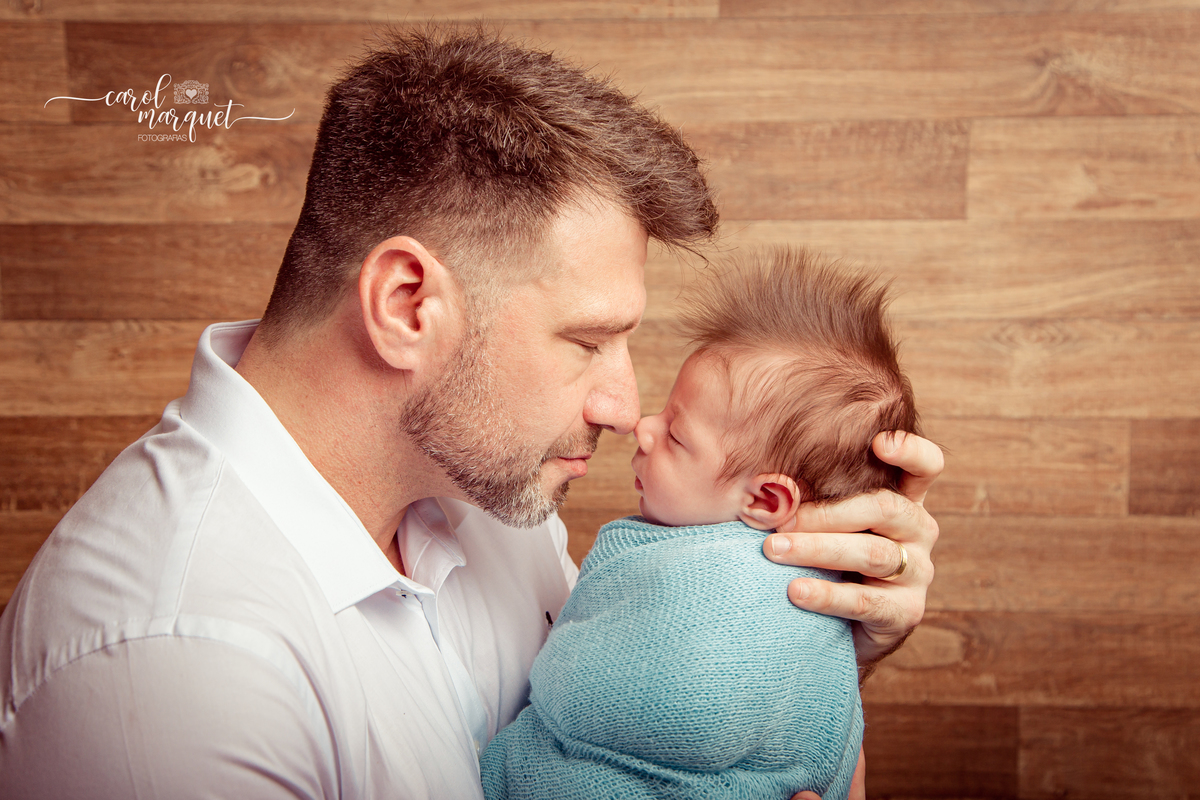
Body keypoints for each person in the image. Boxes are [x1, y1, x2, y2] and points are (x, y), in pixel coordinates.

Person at [0, 29, 941, 800]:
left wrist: (814, 633)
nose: (622, 407)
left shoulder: (489, 486)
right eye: (587, 341)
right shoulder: (177, 671)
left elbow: (636, 747)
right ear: (408, 306)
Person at [479, 248, 919, 800]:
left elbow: (584, 694)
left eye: (677, 436)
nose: (641, 426)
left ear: (764, 499)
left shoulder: (725, 596)